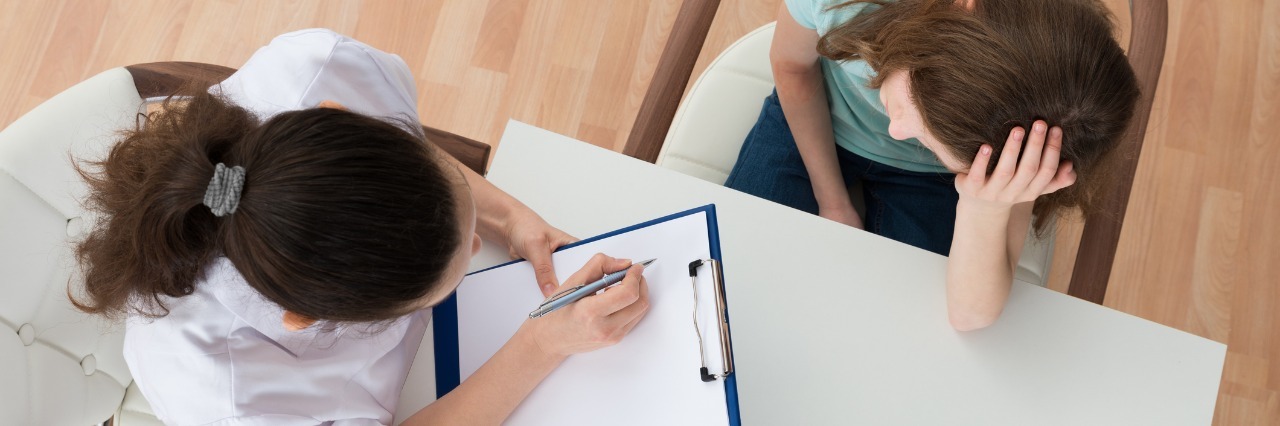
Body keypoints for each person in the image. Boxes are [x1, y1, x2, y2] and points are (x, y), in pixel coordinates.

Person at [72, 29, 649, 425]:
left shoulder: (322, 70)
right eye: (459, 262)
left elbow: (404, 151)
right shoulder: (229, 395)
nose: (477, 248)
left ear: (339, 115)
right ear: (308, 322)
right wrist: (541, 345)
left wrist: (509, 215)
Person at [724, 0, 1139, 330]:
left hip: (928, 182)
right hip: (818, 114)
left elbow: (970, 315)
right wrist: (833, 200)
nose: (898, 130)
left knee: (897, 332)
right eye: (919, 106)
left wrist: (984, 206)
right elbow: (793, 66)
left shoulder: (1023, 114)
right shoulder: (846, 4)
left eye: (929, 139)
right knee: (733, 277)